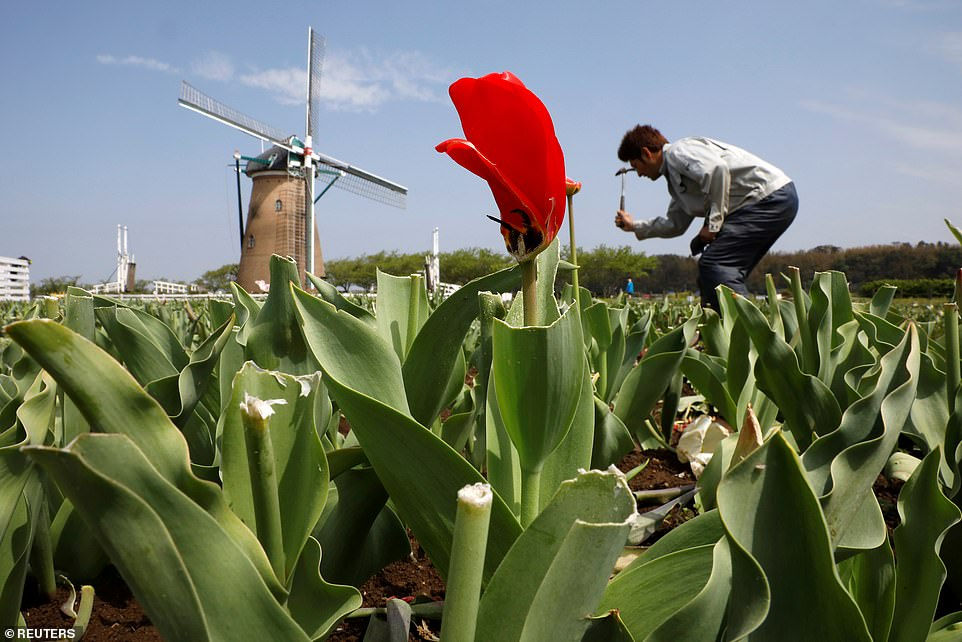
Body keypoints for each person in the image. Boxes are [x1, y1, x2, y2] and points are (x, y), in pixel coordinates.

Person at [613, 125, 797, 311]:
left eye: (636, 166)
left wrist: (712, 225)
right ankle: (715, 330)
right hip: (764, 202)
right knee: (710, 275)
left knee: (716, 264)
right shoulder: (676, 181)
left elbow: (717, 170)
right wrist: (634, 225)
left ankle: (745, 333)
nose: (638, 174)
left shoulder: (678, 152)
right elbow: (675, 224)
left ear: (646, 153)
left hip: (768, 197)